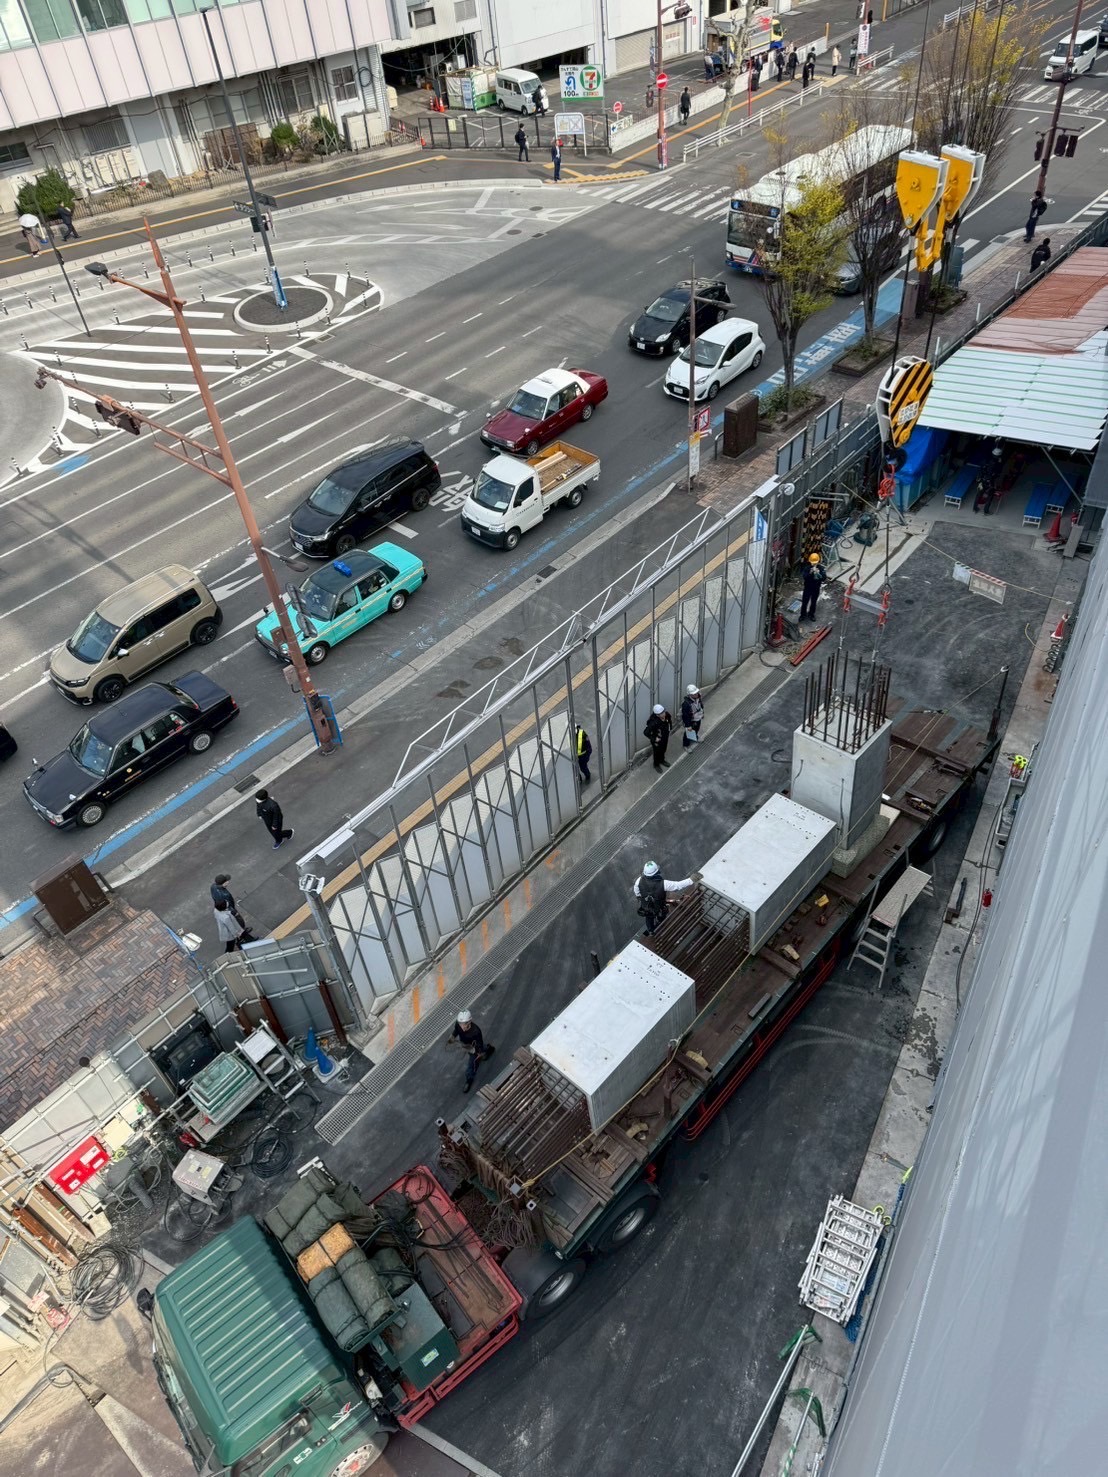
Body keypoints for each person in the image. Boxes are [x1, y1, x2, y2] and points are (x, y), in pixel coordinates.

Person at [634, 861, 694, 937]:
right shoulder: (664, 884)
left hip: (646, 906)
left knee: (649, 917)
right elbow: (678, 885)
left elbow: (637, 891)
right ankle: (659, 921)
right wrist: (691, 880)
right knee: (662, 914)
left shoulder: (639, 880)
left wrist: (640, 897)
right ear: (656, 872)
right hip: (659, 906)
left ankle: (650, 931)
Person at [448, 1009, 494, 1093]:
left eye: (464, 1024)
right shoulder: (458, 1025)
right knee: (483, 1050)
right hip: (465, 1044)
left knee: (472, 1064)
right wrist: (453, 1036)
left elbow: (479, 1045)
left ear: (469, 1022)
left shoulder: (476, 1031)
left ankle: (469, 1079)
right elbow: (456, 1030)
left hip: (474, 1047)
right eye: (460, 1023)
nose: (462, 1026)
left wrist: (474, 1051)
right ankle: (489, 1048)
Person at [644, 703, 673, 771]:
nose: (664, 714)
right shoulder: (653, 722)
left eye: (663, 711)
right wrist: (654, 738)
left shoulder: (667, 715)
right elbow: (646, 732)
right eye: (661, 713)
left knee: (663, 749)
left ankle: (662, 760)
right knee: (657, 752)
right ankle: (656, 764)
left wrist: (670, 728)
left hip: (665, 737)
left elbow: (669, 721)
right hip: (657, 740)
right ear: (657, 715)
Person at [800, 552, 826, 621]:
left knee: (813, 602)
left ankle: (811, 614)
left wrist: (819, 573)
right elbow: (804, 577)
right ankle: (803, 615)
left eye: (815, 563)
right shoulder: (807, 568)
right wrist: (810, 573)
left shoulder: (821, 568)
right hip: (807, 588)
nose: (814, 564)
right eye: (813, 563)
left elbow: (824, 578)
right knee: (805, 602)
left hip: (816, 588)